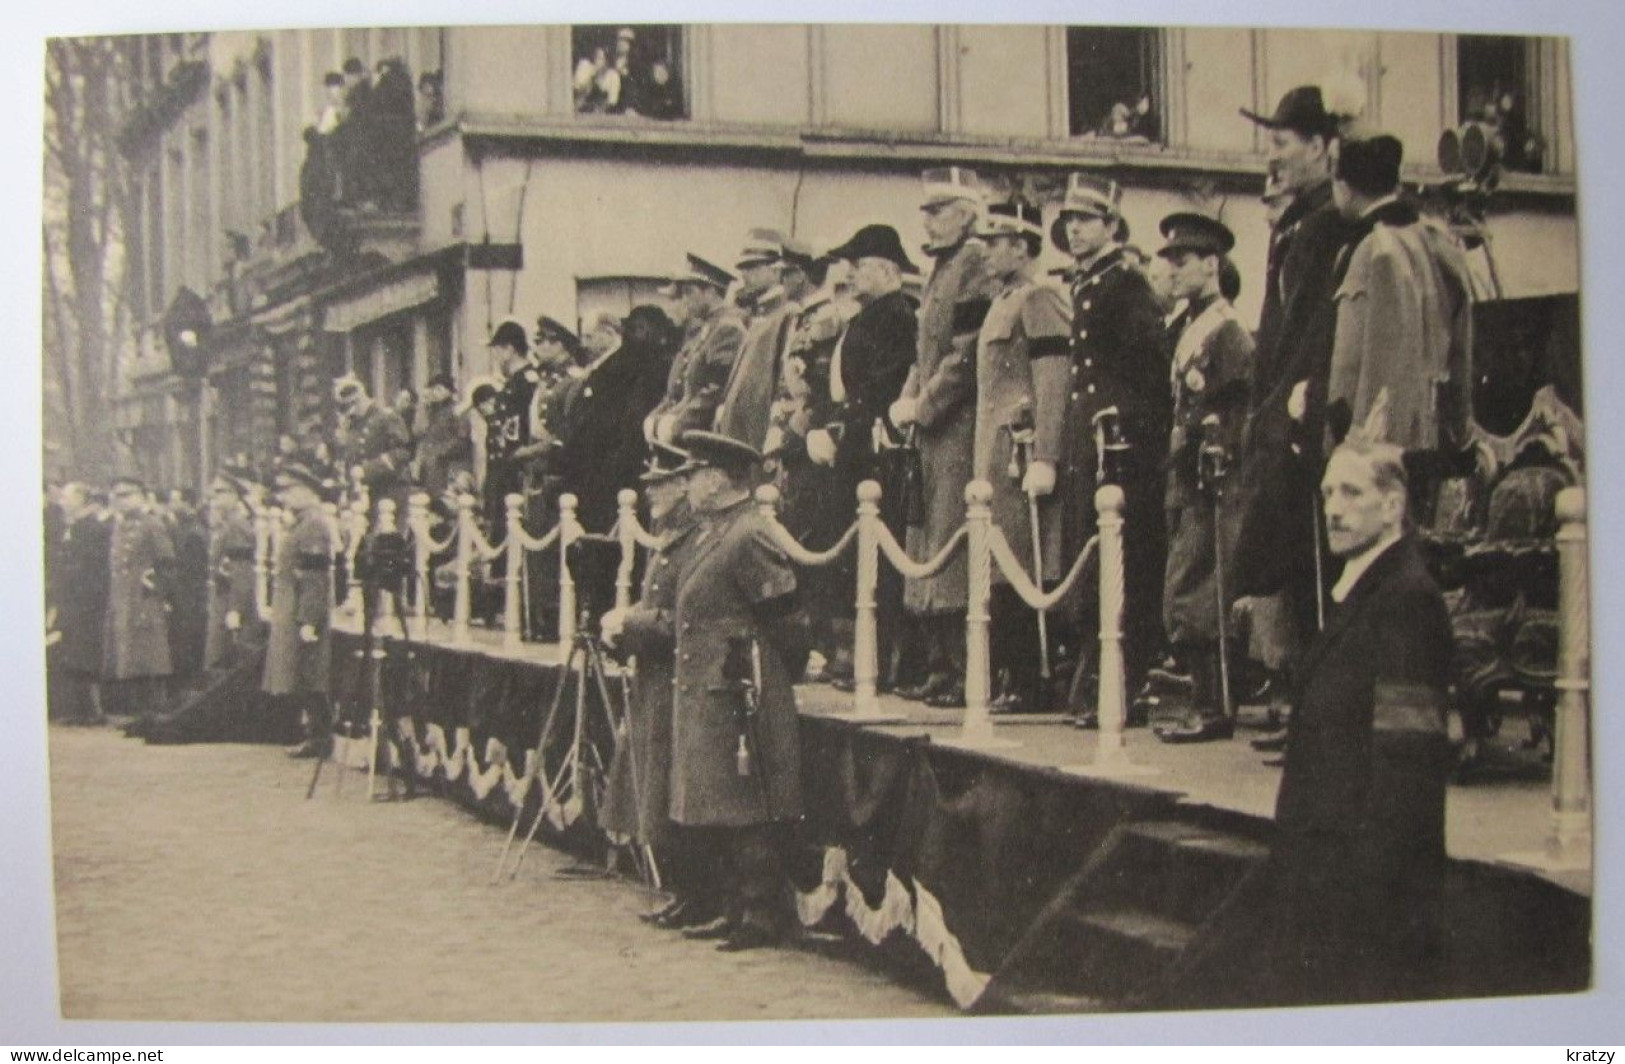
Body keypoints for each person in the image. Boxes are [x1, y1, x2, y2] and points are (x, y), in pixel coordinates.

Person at [1263, 434, 1455, 1005]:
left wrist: (1365, 894)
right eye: (1327, 493)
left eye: (1351, 492)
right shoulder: (1362, 591)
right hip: (1319, 876)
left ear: (1393, 506)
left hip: (1364, 898)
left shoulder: (1407, 600)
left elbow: (1407, 766)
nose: (1334, 509)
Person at [606, 430, 810, 952]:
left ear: (720, 479)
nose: (689, 482)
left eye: (696, 473)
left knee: (746, 802)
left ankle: (762, 915)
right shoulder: (711, 532)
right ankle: (734, 906)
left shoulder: (749, 534)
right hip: (710, 687)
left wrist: (778, 676)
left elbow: (786, 618)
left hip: (741, 687)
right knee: (718, 801)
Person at [1232, 85, 1357, 644]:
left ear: (1321, 147)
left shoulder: (1330, 225)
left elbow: (1314, 336)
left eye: (1282, 142)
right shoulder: (1302, 224)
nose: (1272, 155)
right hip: (1280, 418)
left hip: (1301, 422)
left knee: (1313, 568)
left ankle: (1317, 706)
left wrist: (1279, 417)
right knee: (1291, 571)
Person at [1051, 172, 1171, 721]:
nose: (1074, 229)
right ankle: (1097, 675)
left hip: (1121, 440)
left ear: (1111, 225)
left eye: (1085, 220)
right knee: (1094, 551)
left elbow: (1149, 371)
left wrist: (1125, 432)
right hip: (1092, 437)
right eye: (1070, 220)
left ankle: (1125, 677)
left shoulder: (1126, 283)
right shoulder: (1091, 281)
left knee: (1124, 557)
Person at [887, 167, 998, 709]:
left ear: (967, 214)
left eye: (939, 210)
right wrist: (906, 400)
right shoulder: (939, 271)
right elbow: (922, 352)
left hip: (957, 425)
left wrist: (924, 405)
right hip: (930, 426)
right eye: (925, 211)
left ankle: (959, 667)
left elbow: (966, 351)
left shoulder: (974, 263)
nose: (927, 221)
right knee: (926, 533)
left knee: (951, 537)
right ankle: (938, 663)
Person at [1326, 132, 1475, 524]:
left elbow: (1348, 359)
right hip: (1437, 436)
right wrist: (1461, 433)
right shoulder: (1439, 244)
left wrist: (1334, 442)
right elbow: (1461, 348)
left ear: (1344, 186)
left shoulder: (1369, 250)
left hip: (1376, 446)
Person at [1146, 214, 1256, 743]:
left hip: (1213, 477)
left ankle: (1216, 707)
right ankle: (1204, 697)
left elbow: (1236, 409)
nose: (1172, 270)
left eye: (1182, 260)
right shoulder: (1191, 326)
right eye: (1169, 261)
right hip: (1186, 473)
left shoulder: (1228, 332)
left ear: (1212, 265)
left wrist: (1218, 460)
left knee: (1201, 586)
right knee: (1183, 586)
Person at [966, 203, 1073, 713]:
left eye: (997, 240)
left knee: (1024, 565)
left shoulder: (1041, 296)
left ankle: (1033, 678)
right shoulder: (1001, 301)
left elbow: (1054, 380)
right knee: (1000, 565)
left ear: (1023, 244)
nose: (987, 250)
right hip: (993, 453)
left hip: (1020, 452)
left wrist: (1046, 453)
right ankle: (1014, 675)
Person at [599, 442, 707, 925]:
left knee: (670, 788)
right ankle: (681, 890)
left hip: (676, 681)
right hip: (654, 680)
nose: (651, 494)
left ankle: (690, 890)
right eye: (649, 485)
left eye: (661, 484)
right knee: (653, 785)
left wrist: (631, 623)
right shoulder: (668, 538)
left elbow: (680, 620)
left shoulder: (693, 541)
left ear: (685, 484)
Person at [810, 226, 920, 691]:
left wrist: (842, 429)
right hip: (852, 448)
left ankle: (881, 662)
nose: (852, 275)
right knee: (851, 553)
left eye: (860, 267)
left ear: (887, 269)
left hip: (875, 451)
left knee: (876, 555)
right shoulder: (867, 316)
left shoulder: (896, 315)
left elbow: (881, 385)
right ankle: (854, 656)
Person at [264, 461, 337, 758]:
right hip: (291, 604)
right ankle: (313, 735)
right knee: (300, 671)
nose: (284, 497)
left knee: (311, 672)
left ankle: (320, 737)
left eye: (291, 491)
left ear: (309, 492)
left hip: (302, 607)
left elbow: (315, 576)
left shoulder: (314, 525)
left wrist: (309, 618)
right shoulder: (301, 523)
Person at [646, 253, 747, 445]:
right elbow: (687, 388)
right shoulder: (709, 326)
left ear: (710, 291)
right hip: (692, 433)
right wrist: (662, 417)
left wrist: (679, 423)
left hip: (707, 436)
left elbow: (716, 388)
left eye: (689, 292)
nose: (684, 299)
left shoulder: (728, 328)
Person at [102, 474, 175, 721]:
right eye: (117, 495)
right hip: (123, 596)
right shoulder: (120, 525)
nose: (121, 501)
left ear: (141, 496)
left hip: (143, 597)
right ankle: (137, 711)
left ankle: (154, 710)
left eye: (127, 495)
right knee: (128, 653)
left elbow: (166, 560)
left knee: (149, 652)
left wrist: (155, 589)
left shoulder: (151, 523)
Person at [715, 228, 795, 451]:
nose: (745, 275)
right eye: (743, 268)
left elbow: (784, 378)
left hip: (759, 429)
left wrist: (777, 424)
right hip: (739, 428)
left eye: (753, 267)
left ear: (775, 270)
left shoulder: (786, 314)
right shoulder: (756, 315)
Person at [47, 482, 111, 724]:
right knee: (74, 651)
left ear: (81, 499)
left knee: (86, 653)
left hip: (87, 601)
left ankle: (93, 711)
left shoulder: (92, 528)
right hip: (74, 600)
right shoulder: (74, 527)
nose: (62, 501)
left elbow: (90, 568)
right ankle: (81, 710)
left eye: (67, 497)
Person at [203, 466, 264, 671]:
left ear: (234, 495)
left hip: (232, 602)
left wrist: (235, 609)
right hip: (221, 599)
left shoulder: (237, 525)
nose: (215, 497)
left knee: (227, 666)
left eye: (221, 492)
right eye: (214, 492)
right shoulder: (225, 524)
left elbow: (243, 570)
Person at [333, 375, 413, 524]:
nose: (349, 413)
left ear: (358, 400)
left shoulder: (386, 417)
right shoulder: (352, 424)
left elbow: (403, 452)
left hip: (387, 493)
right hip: (362, 496)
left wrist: (368, 469)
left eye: (350, 406)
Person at [412, 373, 472, 502]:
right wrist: (422, 407)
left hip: (449, 468)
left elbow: (462, 441)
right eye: (433, 389)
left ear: (449, 391)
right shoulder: (431, 412)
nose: (435, 393)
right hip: (430, 470)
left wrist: (439, 452)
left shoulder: (457, 410)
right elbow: (418, 432)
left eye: (439, 389)